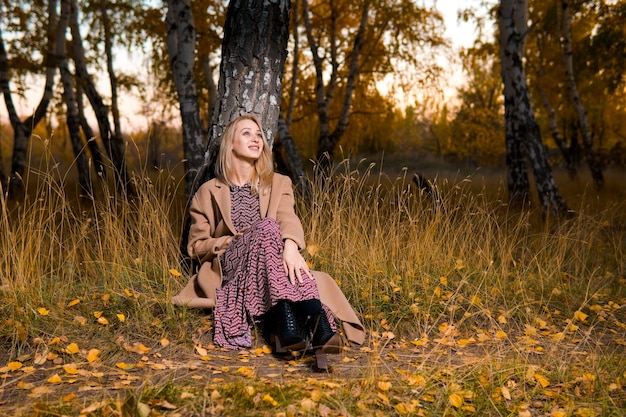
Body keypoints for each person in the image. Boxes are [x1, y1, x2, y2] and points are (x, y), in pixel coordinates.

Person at [172, 114, 364, 355]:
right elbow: (196, 246)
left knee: (270, 228)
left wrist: (292, 247)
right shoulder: (208, 191)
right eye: (246, 133)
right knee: (267, 227)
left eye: (259, 135)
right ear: (230, 143)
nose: (256, 139)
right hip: (234, 266)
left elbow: (288, 218)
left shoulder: (278, 183)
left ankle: (290, 327)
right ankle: (317, 320)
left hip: (271, 265)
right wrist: (231, 241)